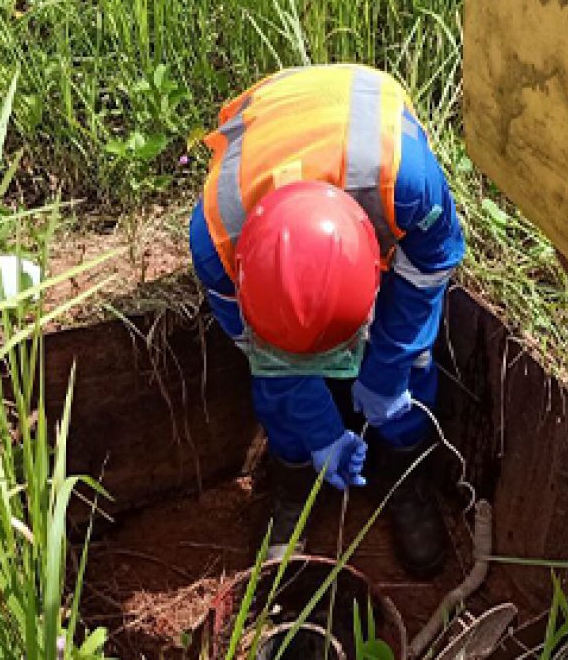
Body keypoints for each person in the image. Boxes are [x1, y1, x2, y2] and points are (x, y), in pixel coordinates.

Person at [189, 64, 466, 578]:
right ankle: (294, 489)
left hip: (360, 129)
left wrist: (386, 375)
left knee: (411, 362)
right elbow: (268, 361)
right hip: (276, 127)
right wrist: (320, 433)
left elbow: (429, 270)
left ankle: (404, 477)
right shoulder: (218, 242)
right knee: (276, 386)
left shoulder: (406, 185)